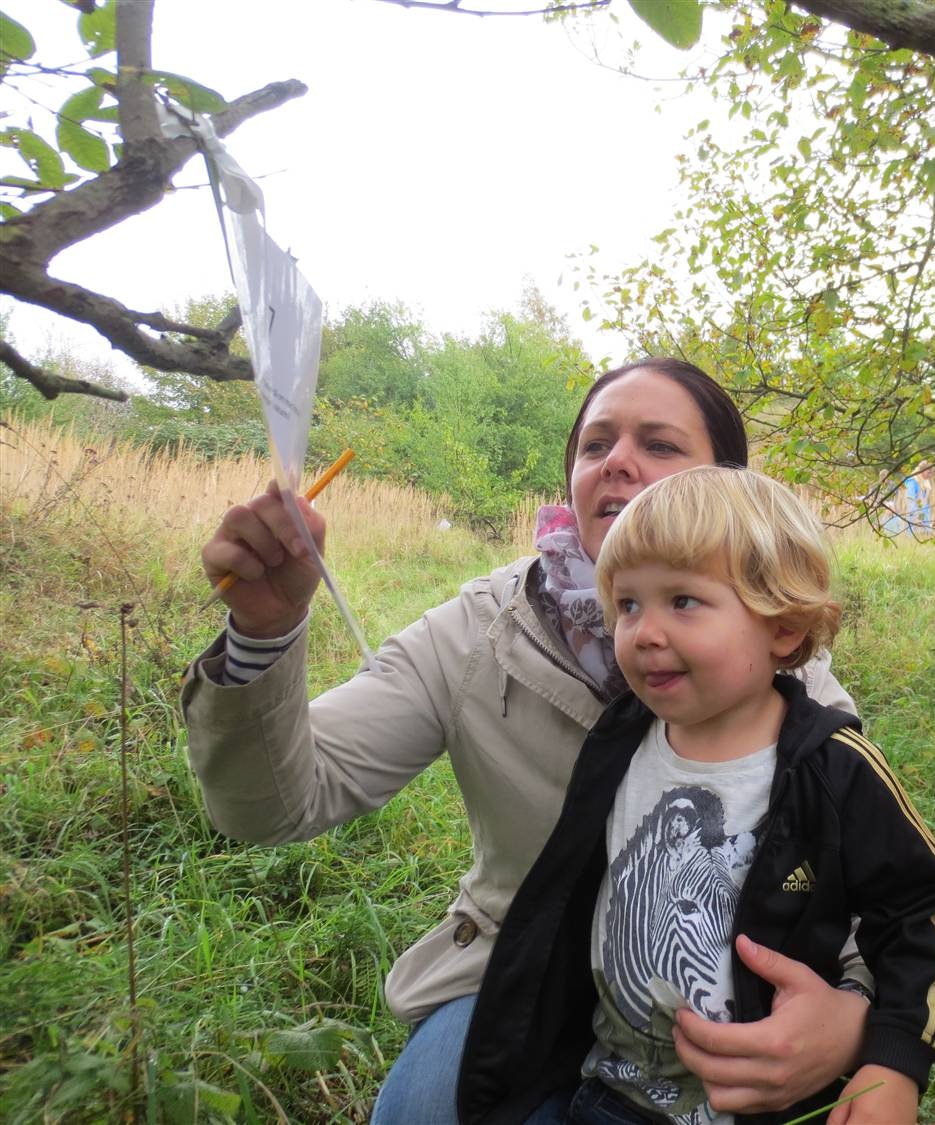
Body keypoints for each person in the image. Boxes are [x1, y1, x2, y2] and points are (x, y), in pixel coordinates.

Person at [182, 359, 872, 1125]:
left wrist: (851, 1017)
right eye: (595, 444)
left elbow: (870, 879)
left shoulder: (777, 664)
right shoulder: (482, 629)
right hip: (514, 968)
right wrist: (263, 635)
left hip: (713, 991)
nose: (616, 460)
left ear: (725, 484)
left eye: (661, 444)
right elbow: (274, 803)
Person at [457, 467, 935, 1125]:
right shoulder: (622, 739)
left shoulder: (833, 767)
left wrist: (893, 1063)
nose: (645, 631)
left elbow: (918, 909)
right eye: (629, 604)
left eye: (683, 601)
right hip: (611, 1093)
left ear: (780, 627)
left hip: (768, 1101)